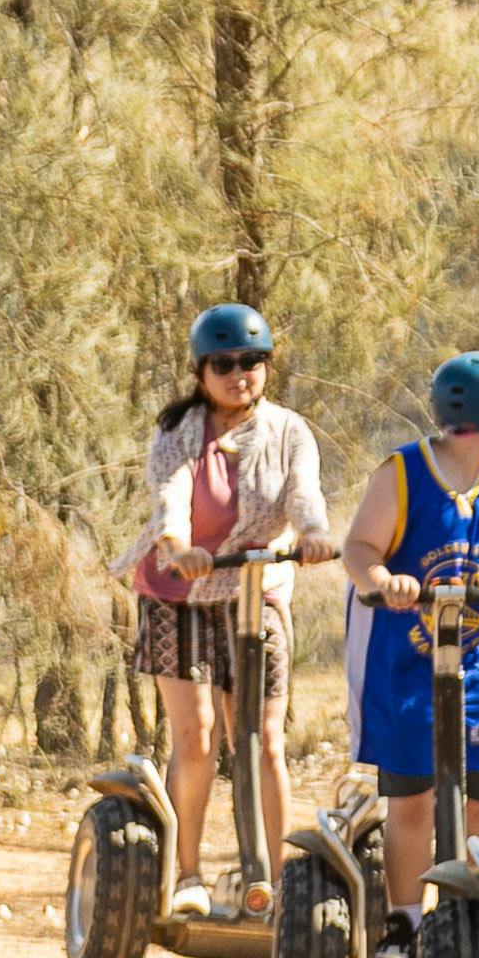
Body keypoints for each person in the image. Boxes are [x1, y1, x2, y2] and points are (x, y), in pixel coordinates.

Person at [124, 302, 336, 910]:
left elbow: (304, 493)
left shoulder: (288, 431)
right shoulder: (177, 432)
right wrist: (177, 545)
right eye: (224, 363)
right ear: (200, 371)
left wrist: (314, 534)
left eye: (252, 362)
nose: (239, 374)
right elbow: (171, 495)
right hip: (179, 592)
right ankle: (185, 873)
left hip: (254, 589)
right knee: (198, 736)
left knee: (263, 737)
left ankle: (273, 877)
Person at [337, 351, 479, 958]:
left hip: (476, 664)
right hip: (404, 666)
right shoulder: (403, 474)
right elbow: (358, 548)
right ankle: (404, 920)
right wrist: (383, 579)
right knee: (412, 800)